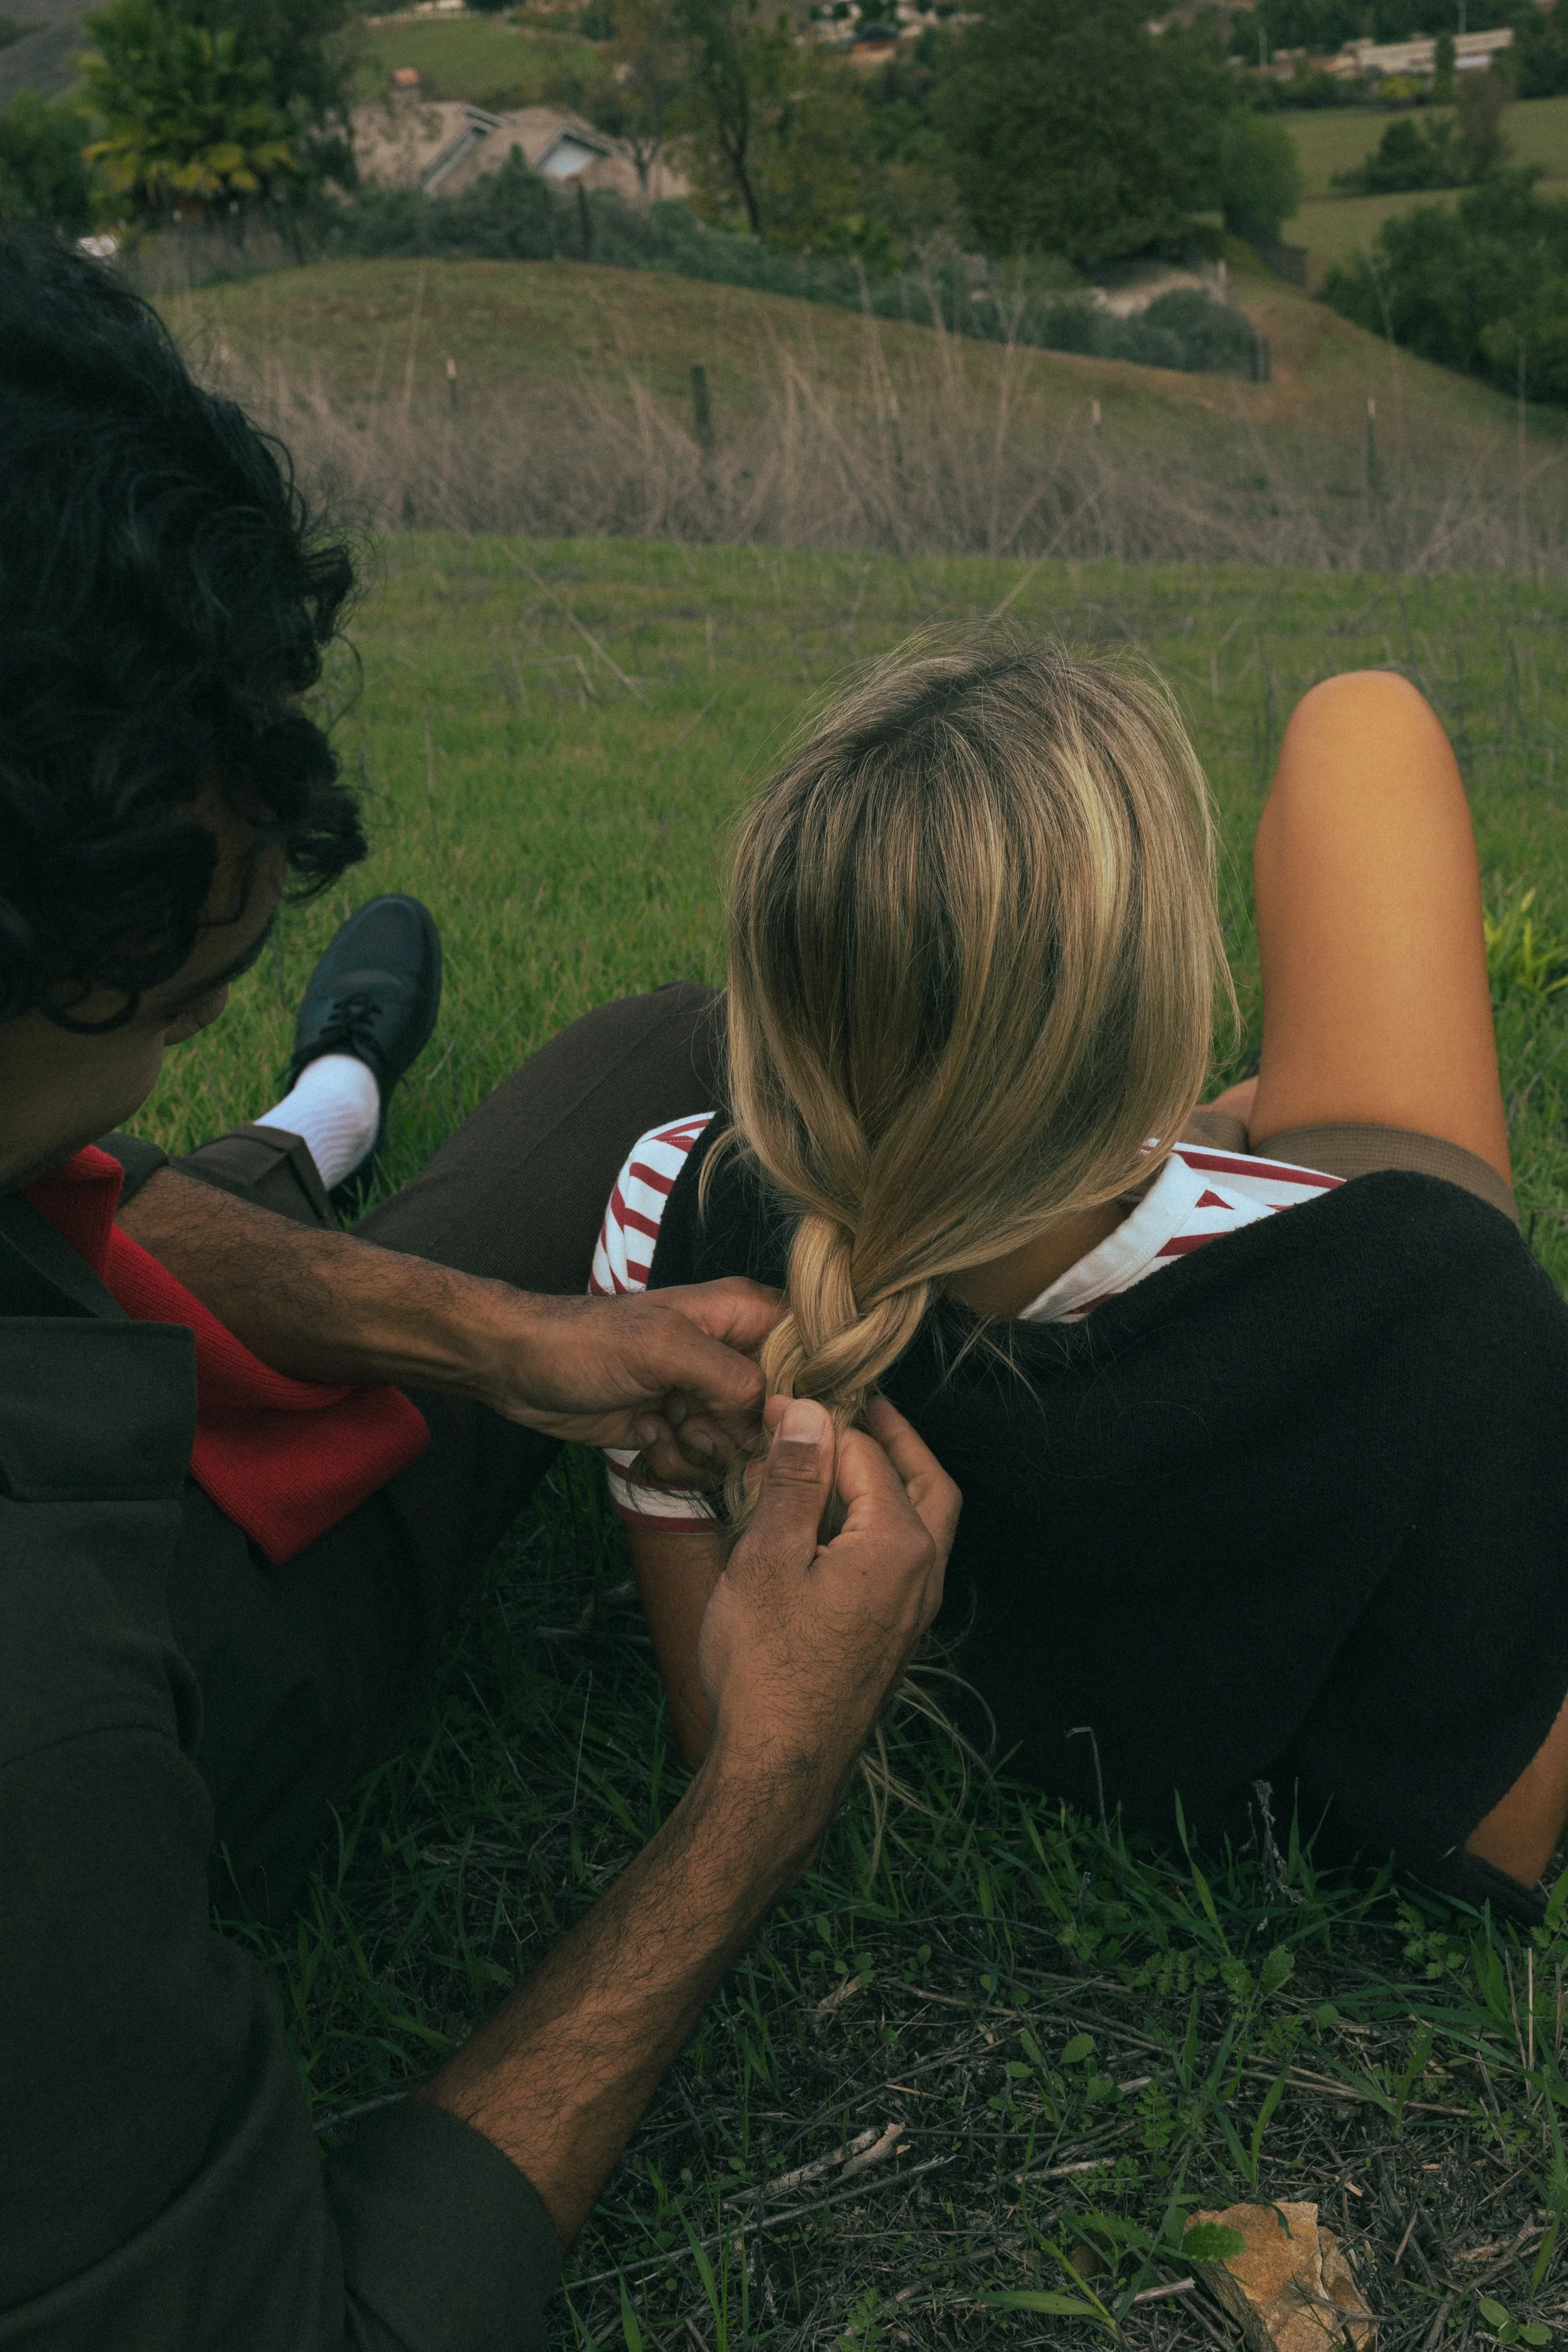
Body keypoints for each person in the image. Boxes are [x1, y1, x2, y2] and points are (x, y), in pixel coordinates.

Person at [0, 233, 960, 2350]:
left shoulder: (46, 1145)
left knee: (507, 1094)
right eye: (161, 997)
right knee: (631, 1063)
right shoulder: (45, 1727)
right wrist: (754, 1797)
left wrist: (509, 1335)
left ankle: (328, 1090)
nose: (143, 1056)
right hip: (225, 1569)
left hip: (177, 1317)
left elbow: (75, 1184)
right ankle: (322, 1093)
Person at [588, 638, 1568, 1925]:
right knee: (1359, 720)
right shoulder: (1443, 1305)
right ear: (1162, 1008)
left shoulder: (667, 1216)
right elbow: (1485, 1849)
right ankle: (1210, 1130)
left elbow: (716, 1730)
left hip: (1135, 1208)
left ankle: (1214, 1127)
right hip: (1324, 1251)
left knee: (1274, 1082)